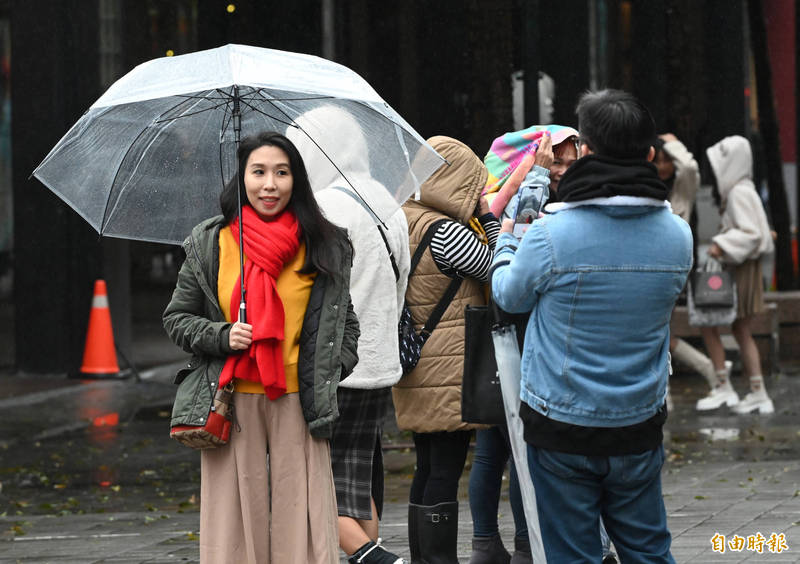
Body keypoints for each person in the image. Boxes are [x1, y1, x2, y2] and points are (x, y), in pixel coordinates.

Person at [491, 89, 692, 562]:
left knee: (572, 554)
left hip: (560, 424)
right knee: (647, 549)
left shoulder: (550, 234)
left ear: (586, 152)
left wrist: (508, 237)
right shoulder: (678, 236)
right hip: (639, 421)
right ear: (648, 156)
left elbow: (508, 294)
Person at [163, 131, 359, 564]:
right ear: (243, 178)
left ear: (297, 180)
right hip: (231, 398)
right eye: (259, 172)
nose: (269, 184)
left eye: (282, 173)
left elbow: (347, 323)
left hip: (299, 398)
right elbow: (176, 319)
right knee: (232, 523)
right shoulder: (212, 242)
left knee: (303, 519)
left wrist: (330, 367)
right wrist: (221, 334)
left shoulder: (324, 242)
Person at [468, 124, 580, 564]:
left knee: (497, 447)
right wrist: (536, 174)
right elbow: (520, 249)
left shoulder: (505, 197)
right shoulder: (514, 199)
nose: (562, 170)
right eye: (557, 161)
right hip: (514, 333)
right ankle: (515, 546)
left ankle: (489, 545)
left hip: (507, 332)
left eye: (572, 161)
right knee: (510, 448)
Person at [393, 135, 501, 563]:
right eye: (474, 185)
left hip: (416, 364)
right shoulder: (446, 232)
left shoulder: (402, 218)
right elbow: (499, 267)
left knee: (426, 466)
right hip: (449, 371)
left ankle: (425, 558)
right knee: (445, 469)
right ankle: (440, 560)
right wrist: (490, 218)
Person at [696, 135, 775, 414]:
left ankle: (748, 390)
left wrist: (721, 245)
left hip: (740, 267)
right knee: (740, 329)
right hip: (744, 267)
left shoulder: (739, 192)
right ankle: (755, 391)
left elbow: (752, 234)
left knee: (730, 326)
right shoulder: (745, 189)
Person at [654, 133, 719, 403]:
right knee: (659, 333)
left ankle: (667, 392)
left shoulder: (683, 187)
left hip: (671, 266)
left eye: (666, 160)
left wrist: (673, 143)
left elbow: (690, 167)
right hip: (648, 264)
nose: (662, 166)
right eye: (656, 160)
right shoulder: (642, 186)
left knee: (659, 333)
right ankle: (704, 370)